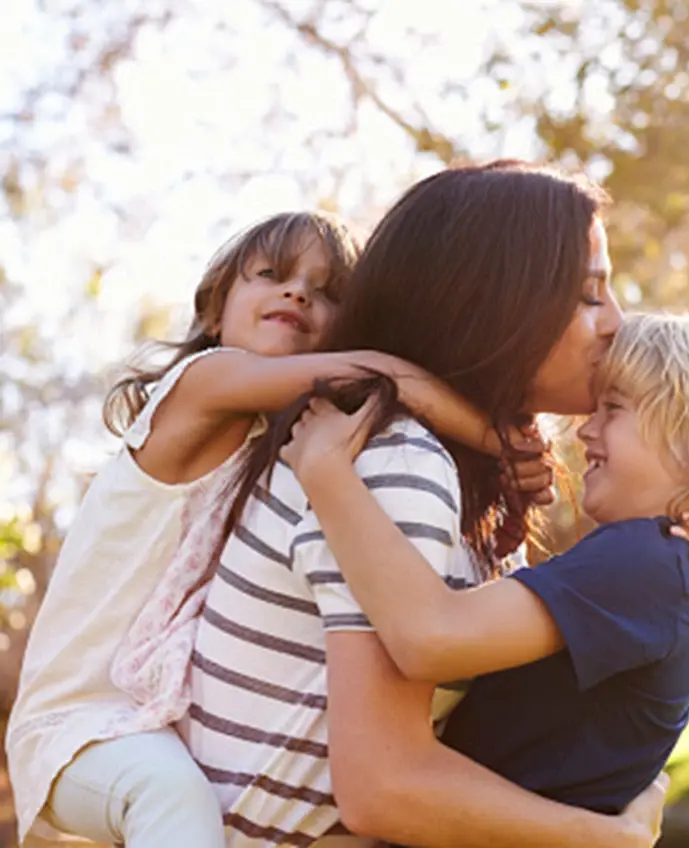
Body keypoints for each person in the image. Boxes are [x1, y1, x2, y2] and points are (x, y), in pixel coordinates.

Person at [4, 211, 539, 848]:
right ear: (212, 311)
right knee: (170, 796)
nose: (298, 294)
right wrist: (500, 443)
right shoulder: (200, 384)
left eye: (327, 291)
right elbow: (378, 377)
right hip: (78, 722)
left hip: (153, 719)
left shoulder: (284, 447)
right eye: (272, 276)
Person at [186, 161, 677, 847]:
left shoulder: (429, 463)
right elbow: (385, 789)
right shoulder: (396, 460)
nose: (615, 323)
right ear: (498, 301)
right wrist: (608, 839)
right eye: (589, 294)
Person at [282, 311, 689, 819]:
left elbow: (431, 634)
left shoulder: (646, 560)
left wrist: (325, 471)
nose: (585, 431)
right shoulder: (666, 573)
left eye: (615, 408)